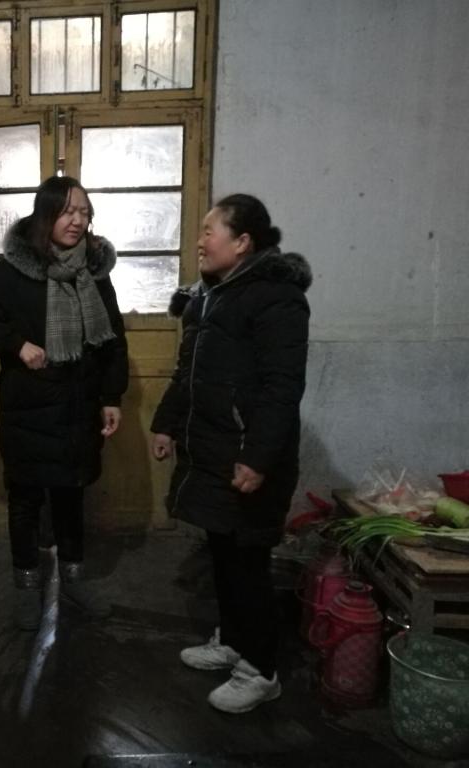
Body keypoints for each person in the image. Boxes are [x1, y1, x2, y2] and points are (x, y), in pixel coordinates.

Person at [150, 193, 311, 714]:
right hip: (213, 449)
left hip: (247, 455)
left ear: (242, 242)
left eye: (209, 230)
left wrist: (258, 458)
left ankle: (261, 671)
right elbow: (188, 374)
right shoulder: (208, 297)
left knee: (247, 563)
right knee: (223, 555)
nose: (200, 241)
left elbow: (282, 388)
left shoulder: (277, 299)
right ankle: (235, 641)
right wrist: (166, 424)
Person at [0, 175, 128, 631]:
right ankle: (26, 587)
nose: (77, 221)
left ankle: (73, 581)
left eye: (84, 212)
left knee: (71, 497)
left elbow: (113, 339)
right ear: (45, 215)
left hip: (79, 408)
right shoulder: (15, 272)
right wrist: (16, 344)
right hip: (30, 409)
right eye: (67, 211)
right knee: (26, 501)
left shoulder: (94, 272)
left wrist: (111, 396)